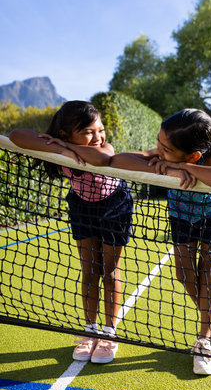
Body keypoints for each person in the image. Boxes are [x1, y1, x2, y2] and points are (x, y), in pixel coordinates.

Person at [109, 108, 211, 375]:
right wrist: (161, 159)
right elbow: (117, 160)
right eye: (158, 142)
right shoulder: (164, 151)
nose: (158, 149)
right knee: (183, 272)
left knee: (207, 268)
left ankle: (204, 341)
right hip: (181, 215)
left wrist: (179, 167)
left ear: (193, 155)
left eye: (164, 147)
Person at [9, 100, 133, 364]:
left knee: (109, 271)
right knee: (89, 271)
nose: (98, 137)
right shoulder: (57, 147)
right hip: (81, 207)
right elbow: (16, 135)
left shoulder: (102, 147)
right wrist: (57, 145)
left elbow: (103, 158)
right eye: (89, 132)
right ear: (65, 133)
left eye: (100, 130)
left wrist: (65, 146)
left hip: (115, 205)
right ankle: (89, 331)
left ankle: (110, 333)